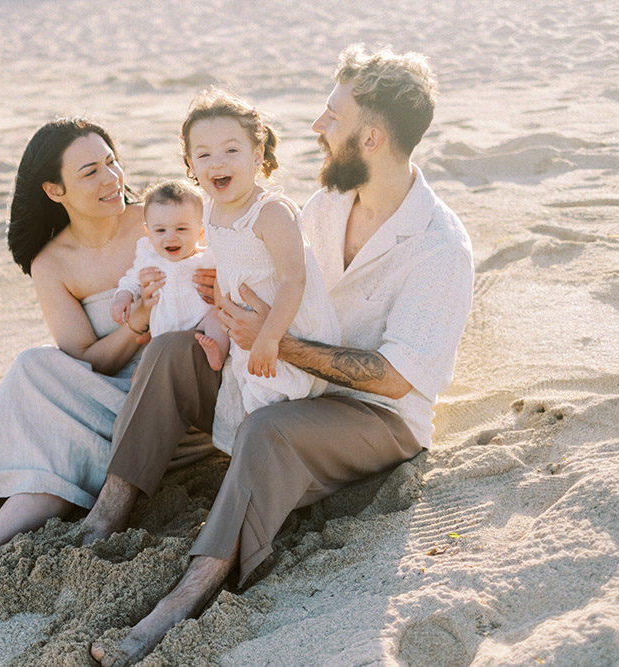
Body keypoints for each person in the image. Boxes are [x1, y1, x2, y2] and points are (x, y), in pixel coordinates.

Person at [84, 44, 475, 666]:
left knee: (269, 431)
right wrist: (221, 299)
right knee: (170, 352)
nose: (317, 128)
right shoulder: (323, 206)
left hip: (373, 416)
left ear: (370, 137)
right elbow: (264, 274)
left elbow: (397, 379)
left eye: (331, 116)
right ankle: (108, 512)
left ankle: (188, 593)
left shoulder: (439, 248)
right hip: (284, 376)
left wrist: (278, 339)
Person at [0, 117, 212, 596]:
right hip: (98, 389)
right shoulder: (52, 262)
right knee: (35, 368)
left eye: (112, 162)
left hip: (161, 401)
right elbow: (89, 362)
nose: (111, 179)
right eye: (90, 172)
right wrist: (138, 320)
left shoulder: (160, 220)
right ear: (54, 190)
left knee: (36, 379)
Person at [182, 89, 340, 453]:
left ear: (257, 155)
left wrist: (270, 338)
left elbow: (292, 279)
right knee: (250, 399)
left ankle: (285, 462)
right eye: (203, 154)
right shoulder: (212, 209)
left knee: (275, 400)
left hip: (287, 327)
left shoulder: (270, 212)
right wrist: (222, 298)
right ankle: (259, 465)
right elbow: (226, 260)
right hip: (247, 330)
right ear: (191, 164)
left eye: (231, 151)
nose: (217, 162)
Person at [110, 179, 228, 371]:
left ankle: (217, 353)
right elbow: (130, 280)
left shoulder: (206, 257)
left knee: (217, 319)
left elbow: (227, 274)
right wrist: (123, 297)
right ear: (149, 232)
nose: (170, 236)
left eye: (181, 229)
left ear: (200, 232)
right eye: (160, 230)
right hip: (165, 327)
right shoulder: (149, 257)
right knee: (151, 356)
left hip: (201, 320)